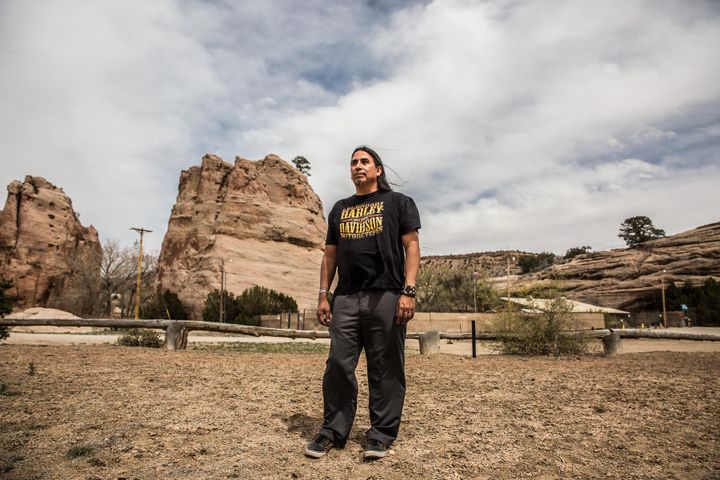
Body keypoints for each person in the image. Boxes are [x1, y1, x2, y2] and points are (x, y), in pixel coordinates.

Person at [304, 146, 421, 460]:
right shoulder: (340, 209)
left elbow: (412, 247)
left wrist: (408, 291)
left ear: (378, 170)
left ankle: (380, 435)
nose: (358, 166)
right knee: (338, 365)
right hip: (346, 298)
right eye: (353, 162)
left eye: (364, 161)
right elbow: (329, 255)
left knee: (385, 369)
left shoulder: (399, 203)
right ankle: (332, 431)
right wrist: (323, 295)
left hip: (386, 295)